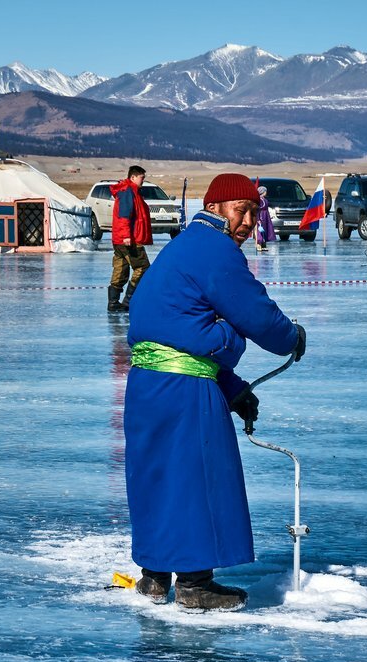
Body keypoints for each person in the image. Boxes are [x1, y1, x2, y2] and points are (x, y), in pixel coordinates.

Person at [123, 173, 307, 611]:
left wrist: (233, 388)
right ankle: (194, 583)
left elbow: (174, 335)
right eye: (240, 211)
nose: (247, 221)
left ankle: (154, 577)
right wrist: (291, 336)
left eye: (253, 212)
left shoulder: (183, 246)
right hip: (182, 392)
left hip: (149, 385)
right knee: (194, 479)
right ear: (217, 208)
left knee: (159, 480)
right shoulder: (214, 249)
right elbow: (256, 314)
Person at [108, 166, 153, 312]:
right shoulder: (128, 191)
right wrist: (126, 235)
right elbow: (124, 215)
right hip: (129, 239)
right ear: (133, 177)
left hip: (119, 239)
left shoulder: (131, 191)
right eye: (141, 177)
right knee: (143, 267)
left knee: (121, 269)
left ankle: (113, 303)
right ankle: (129, 301)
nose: (143, 181)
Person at [255, 184, 275, 251]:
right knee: (260, 230)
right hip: (261, 216)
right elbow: (258, 209)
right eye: (265, 191)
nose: (266, 192)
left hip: (266, 216)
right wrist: (258, 218)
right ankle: (259, 244)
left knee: (265, 230)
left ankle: (264, 244)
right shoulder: (259, 200)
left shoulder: (264, 199)